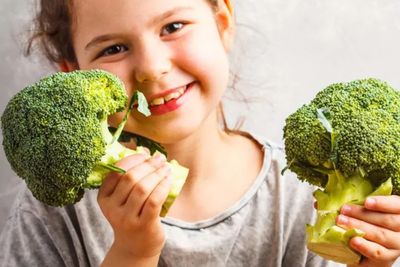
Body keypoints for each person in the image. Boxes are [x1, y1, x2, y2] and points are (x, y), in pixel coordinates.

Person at [1, 0, 400, 266]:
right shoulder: (53, 215)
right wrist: (131, 254)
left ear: (222, 23)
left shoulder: (301, 196)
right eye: (113, 49)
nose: (152, 68)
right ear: (74, 77)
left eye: (173, 27)